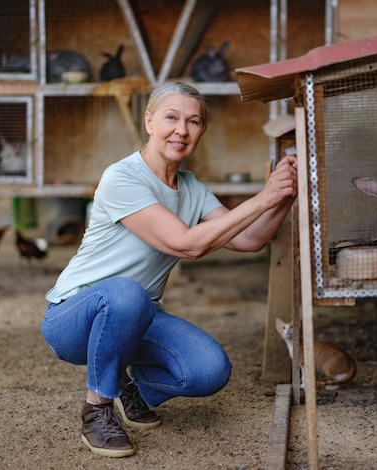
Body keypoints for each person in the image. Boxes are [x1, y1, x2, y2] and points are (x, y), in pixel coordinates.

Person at [41, 81, 298, 458]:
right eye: (171, 117)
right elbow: (186, 244)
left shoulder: (191, 188)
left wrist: (284, 193)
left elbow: (249, 239)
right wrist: (264, 196)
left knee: (209, 369)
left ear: (201, 132)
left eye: (193, 122)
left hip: (137, 316)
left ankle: (130, 389)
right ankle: (96, 410)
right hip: (73, 317)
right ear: (149, 121)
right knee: (128, 293)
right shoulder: (122, 177)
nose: (182, 129)